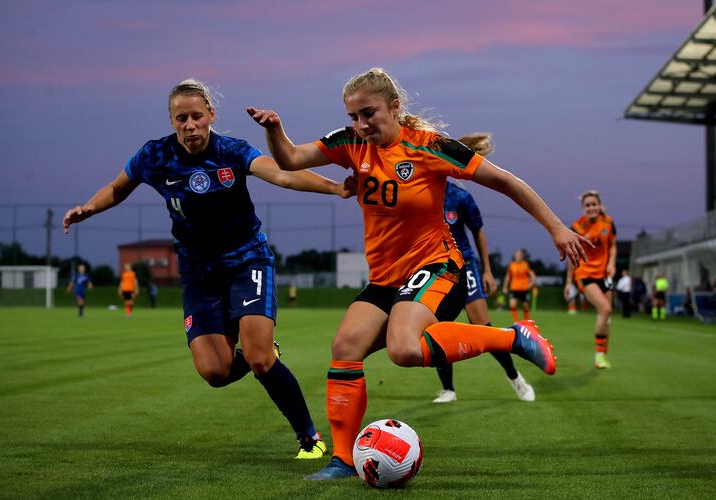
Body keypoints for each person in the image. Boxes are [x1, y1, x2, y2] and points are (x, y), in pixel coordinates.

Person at [249, 67, 591, 480]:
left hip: (437, 265)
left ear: (395, 107)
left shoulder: (430, 147)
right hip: (385, 278)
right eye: (353, 116)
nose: (360, 124)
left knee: (404, 348)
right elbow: (290, 159)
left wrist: (555, 227)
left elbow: (504, 181)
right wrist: (275, 128)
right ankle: (342, 460)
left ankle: (513, 337)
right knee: (345, 346)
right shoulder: (350, 142)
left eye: (368, 113)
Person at [63, 79, 354, 459]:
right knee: (214, 372)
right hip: (198, 274)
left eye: (197, 116)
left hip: (246, 261)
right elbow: (119, 187)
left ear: (211, 116)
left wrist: (333, 188)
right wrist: (89, 207)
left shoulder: (231, 152)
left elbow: (281, 174)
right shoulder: (155, 156)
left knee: (260, 358)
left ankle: (309, 438)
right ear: (172, 121)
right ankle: (260, 355)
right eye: (181, 118)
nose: (190, 125)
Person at [431, 132, 534, 404]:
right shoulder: (423, 193)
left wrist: (487, 270)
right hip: (437, 270)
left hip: (465, 266)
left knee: (483, 326)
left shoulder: (460, 197)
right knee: (439, 329)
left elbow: (478, 232)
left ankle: (515, 378)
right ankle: (448, 390)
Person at [565, 190, 617, 369]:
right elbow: (572, 255)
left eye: (594, 204)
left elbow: (612, 247)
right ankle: (598, 356)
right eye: (587, 205)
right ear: (583, 208)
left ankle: (603, 355)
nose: (591, 208)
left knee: (606, 315)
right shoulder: (577, 227)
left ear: (599, 205)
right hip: (584, 274)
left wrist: (612, 264)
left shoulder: (608, 223)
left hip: (604, 274)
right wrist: (568, 282)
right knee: (605, 308)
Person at [502, 249, 537, 323]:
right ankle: (516, 322)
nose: (518, 256)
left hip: (524, 289)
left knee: (525, 306)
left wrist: (531, 284)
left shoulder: (525, 264)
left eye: (520, 255)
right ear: (514, 256)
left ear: (522, 256)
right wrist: (505, 287)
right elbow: (508, 276)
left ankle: (527, 322)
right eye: (517, 255)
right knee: (512, 305)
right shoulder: (512, 265)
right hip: (514, 288)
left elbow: (532, 274)